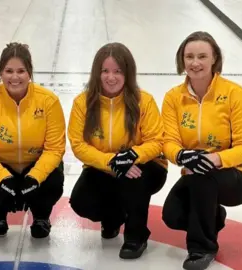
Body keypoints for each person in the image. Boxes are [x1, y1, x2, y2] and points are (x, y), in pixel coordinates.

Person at [161, 31, 242, 270]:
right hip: (195, 175)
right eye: (189, 56)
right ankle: (213, 216)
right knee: (172, 215)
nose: (195, 63)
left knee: (204, 175)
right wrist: (182, 155)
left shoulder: (235, 94)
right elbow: (169, 142)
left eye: (202, 56)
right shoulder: (173, 97)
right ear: (181, 60)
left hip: (237, 176)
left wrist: (214, 159)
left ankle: (202, 248)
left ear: (214, 59)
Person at [68, 42, 168, 260]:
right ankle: (113, 218)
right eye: (105, 71)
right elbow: (78, 144)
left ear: (128, 73)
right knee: (81, 201)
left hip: (144, 165)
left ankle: (136, 236)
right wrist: (111, 162)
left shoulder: (144, 101)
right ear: (97, 72)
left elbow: (156, 140)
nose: (110, 77)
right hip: (105, 166)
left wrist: (132, 156)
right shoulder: (82, 103)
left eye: (117, 71)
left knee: (133, 179)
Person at [0, 42, 66, 239]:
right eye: (9, 71)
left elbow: (55, 149)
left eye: (21, 71)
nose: (15, 77)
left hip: (35, 166)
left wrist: (35, 177)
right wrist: (2, 178)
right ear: (0, 73)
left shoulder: (48, 102)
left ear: (29, 73)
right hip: (3, 166)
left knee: (53, 180)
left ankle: (41, 216)